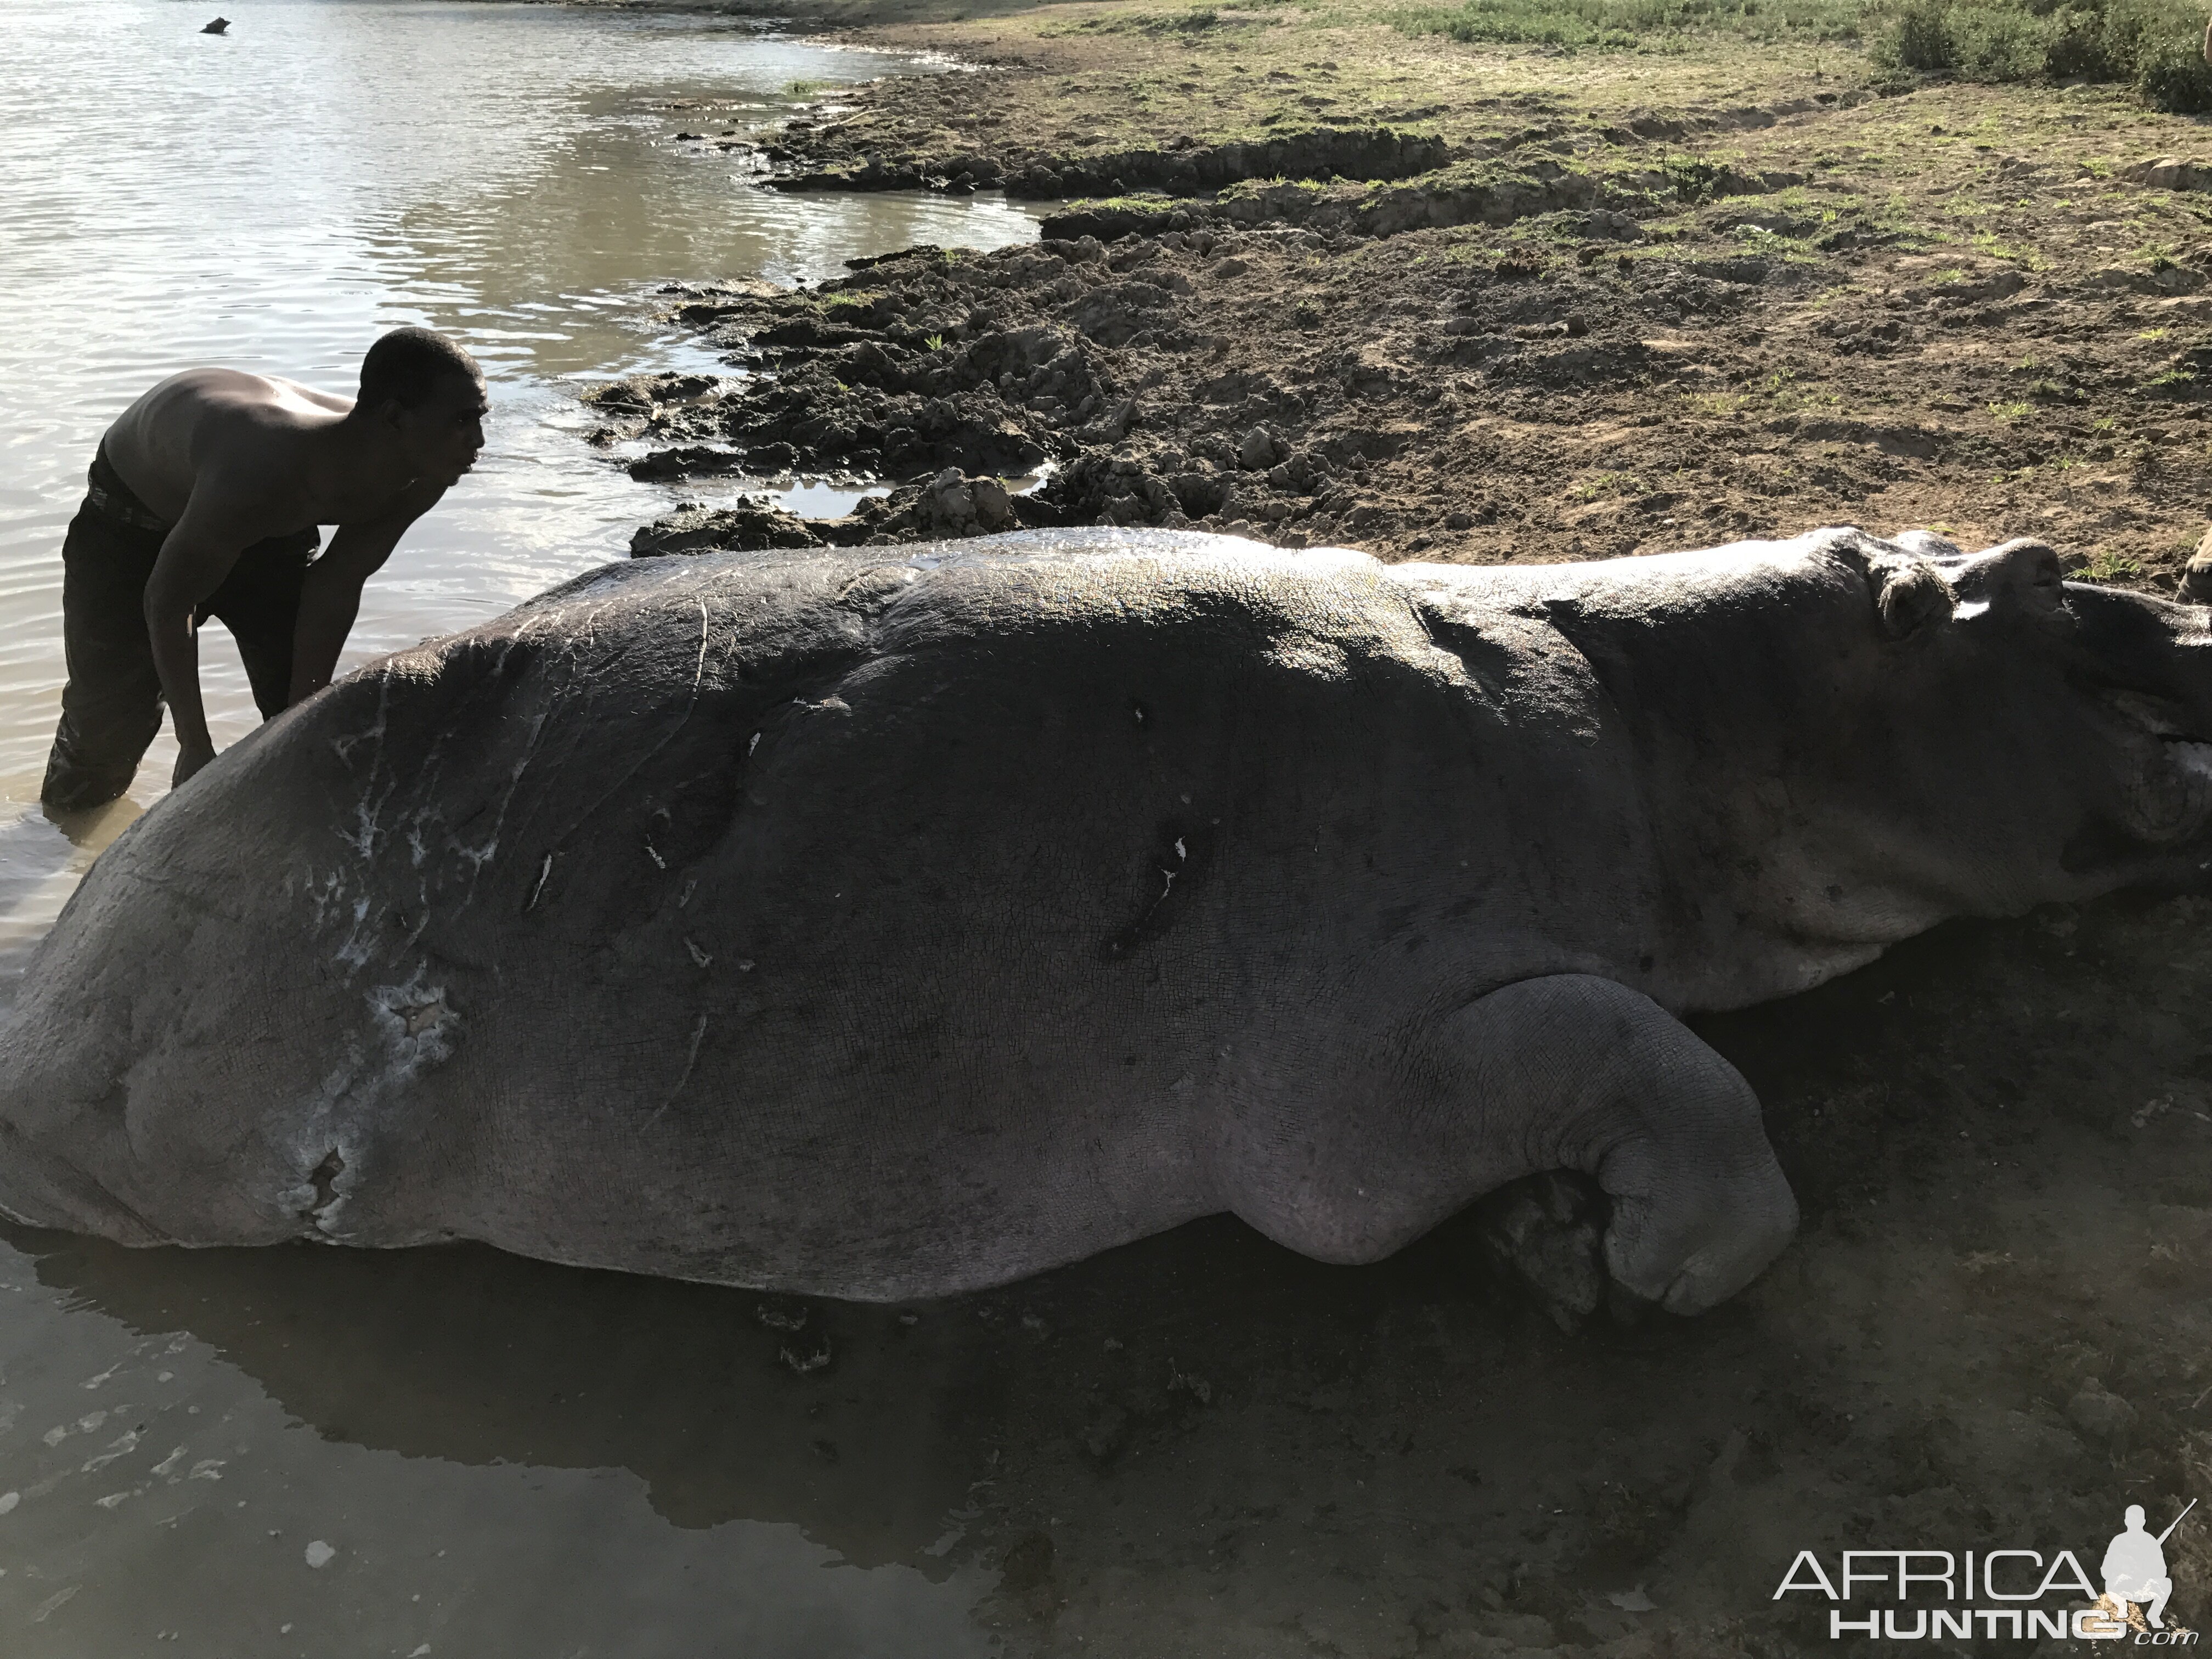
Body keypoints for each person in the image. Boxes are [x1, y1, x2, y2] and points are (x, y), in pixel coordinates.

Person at [40, 326, 487, 812]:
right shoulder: (266, 467)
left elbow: (335, 586)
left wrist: (296, 724)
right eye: (463, 421)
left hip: (271, 525)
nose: (478, 441)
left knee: (299, 712)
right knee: (106, 734)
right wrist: (194, 746)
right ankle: (63, 834)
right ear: (396, 417)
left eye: (480, 419)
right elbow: (168, 600)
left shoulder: (428, 468)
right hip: (134, 520)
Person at [2102, 1503, 2174, 1630]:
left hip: (2144, 1589)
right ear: (2126, 1521)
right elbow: (2106, 1570)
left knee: (2167, 1584)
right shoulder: (2118, 1541)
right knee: (2110, 1584)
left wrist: (2147, 1570)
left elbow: (2162, 1571)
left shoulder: (2151, 1541)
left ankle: (2154, 1615)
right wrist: (2123, 1570)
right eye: (2131, 1520)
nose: (2134, 1523)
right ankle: (2122, 1606)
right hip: (2123, 1588)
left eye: (2137, 1520)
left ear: (2143, 1522)